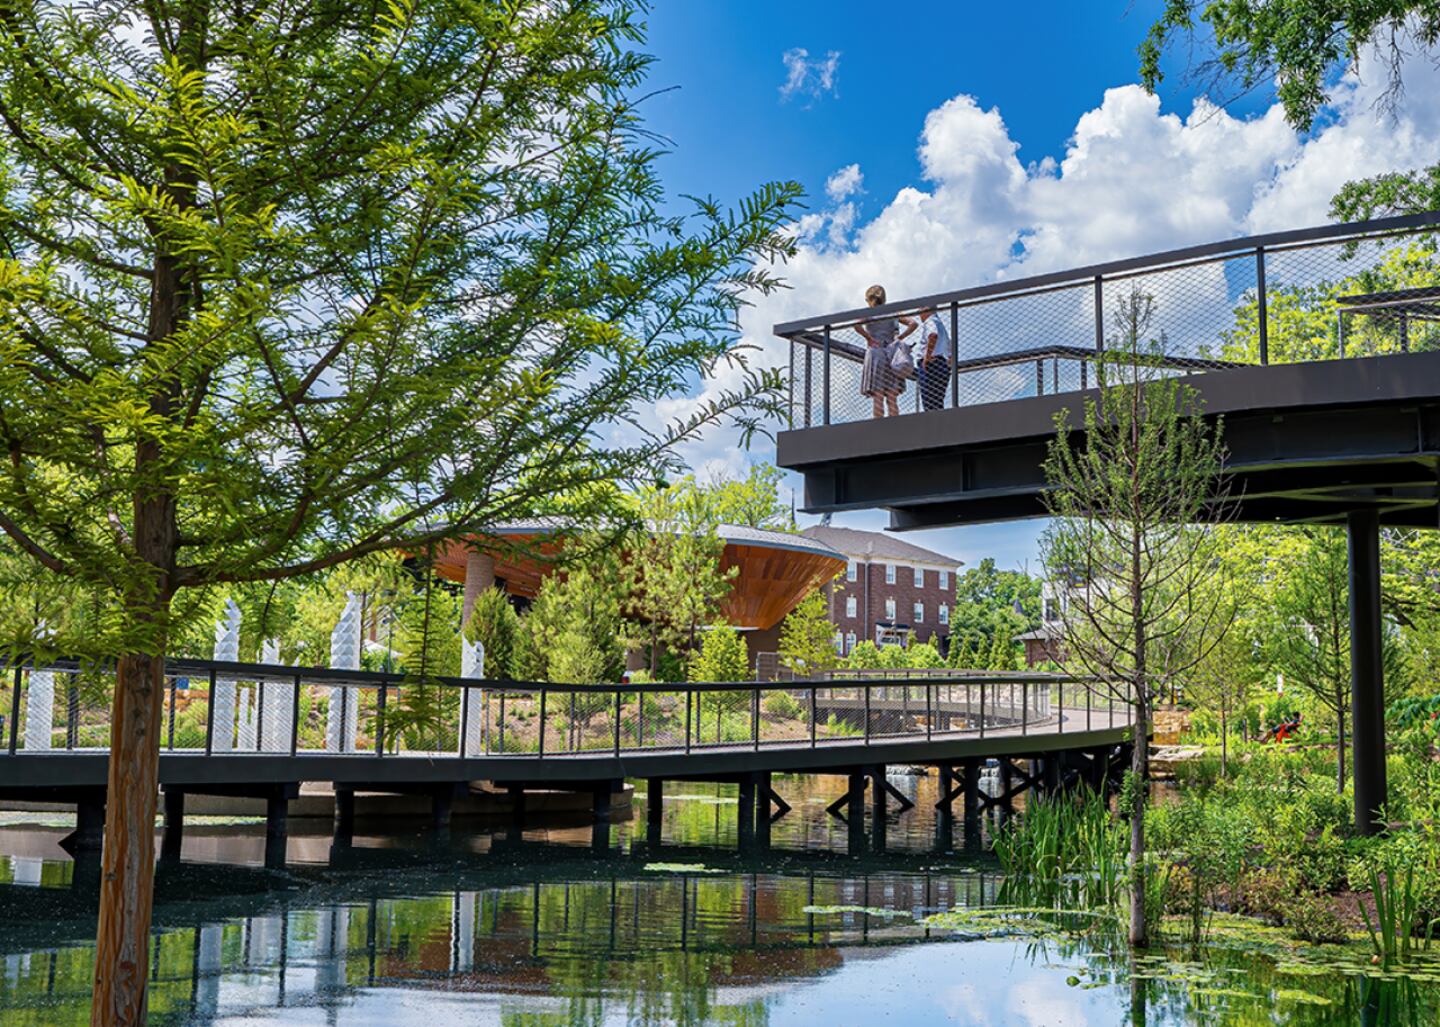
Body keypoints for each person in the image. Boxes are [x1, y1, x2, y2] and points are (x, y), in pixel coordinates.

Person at [856, 284, 914, 418]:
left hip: (875, 353)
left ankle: (878, 426)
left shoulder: (869, 313)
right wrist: (900, 337)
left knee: (878, 396)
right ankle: (895, 425)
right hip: (892, 354)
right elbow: (913, 323)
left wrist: (869, 338)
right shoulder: (893, 312)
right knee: (892, 396)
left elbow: (856, 324)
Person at [913, 305, 951, 412]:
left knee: (929, 402)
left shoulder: (930, 321)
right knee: (938, 401)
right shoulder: (940, 324)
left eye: (920, 310)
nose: (919, 313)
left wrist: (927, 357)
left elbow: (933, 335)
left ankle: (931, 422)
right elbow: (949, 346)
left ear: (926, 309)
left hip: (931, 365)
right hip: (942, 363)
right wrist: (949, 360)